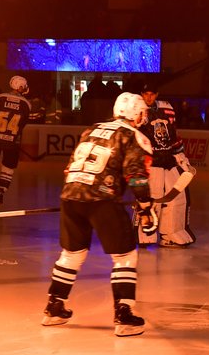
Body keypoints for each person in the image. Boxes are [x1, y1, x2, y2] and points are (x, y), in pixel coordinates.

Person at [42, 92, 158, 337]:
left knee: (71, 253)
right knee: (125, 255)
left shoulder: (91, 130)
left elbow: (70, 166)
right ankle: (124, 314)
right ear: (136, 113)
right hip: (102, 200)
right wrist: (146, 206)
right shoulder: (134, 136)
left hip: (71, 194)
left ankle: (54, 307)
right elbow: (136, 176)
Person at [137, 85, 196, 247]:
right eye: (146, 94)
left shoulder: (166, 108)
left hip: (168, 160)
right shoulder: (136, 110)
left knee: (177, 195)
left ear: (157, 94)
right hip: (151, 162)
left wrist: (180, 155)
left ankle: (172, 233)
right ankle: (145, 234)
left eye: (152, 94)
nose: (149, 97)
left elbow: (172, 134)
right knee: (152, 196)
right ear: (141, 94)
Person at [0, 75, 42, 208]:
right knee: (8, 167)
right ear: (20, 87)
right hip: (13, 141)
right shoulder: (26, 104)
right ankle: (1, 193)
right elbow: (27, 121)